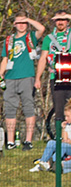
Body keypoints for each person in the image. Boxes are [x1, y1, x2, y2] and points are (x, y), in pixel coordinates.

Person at [35, 10, 71, 121]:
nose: (60, 22)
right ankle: (60, 132)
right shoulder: (49, 38)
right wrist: (37, 78)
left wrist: (67, 15)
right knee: (59, 111)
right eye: (58, 20)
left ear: (67, 21)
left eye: (63, 20)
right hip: (56, 77)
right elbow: (43, 59)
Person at [1, 14, 45, 150]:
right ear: (14, 24)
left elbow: (41, 29)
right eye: (18, 22)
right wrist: (1, 74)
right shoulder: (9, 40)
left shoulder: (30, 37)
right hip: (10, 77)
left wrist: (28, 20)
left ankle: (28, 140)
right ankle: (10, 142)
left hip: (27, 76)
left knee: (28, 108)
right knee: (9, 110)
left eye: (23, 22)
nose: (21, 25)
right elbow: (5, 59)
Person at [29, 99, 71, 172]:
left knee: (64, 146)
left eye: (68, 116)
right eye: (65, 116)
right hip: (68, 147)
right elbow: (64, 140)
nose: (66, 118)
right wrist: (63, 128)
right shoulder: (67, 124)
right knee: (51, 143)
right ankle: (42, 162)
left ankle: (50, 163)